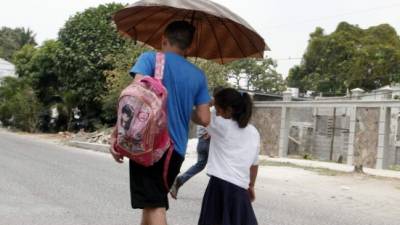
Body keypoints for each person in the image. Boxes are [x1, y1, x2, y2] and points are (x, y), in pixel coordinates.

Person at [109, 20, 211, 225]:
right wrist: (185, 108)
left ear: (164, 39)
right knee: (150, 202)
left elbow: (133, 100)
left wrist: (116, 135)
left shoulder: (150, 59)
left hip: (148, 145)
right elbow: (204, 118)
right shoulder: (198, 76)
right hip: (176, 150)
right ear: (189, 47)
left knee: (155, 205)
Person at [198, 88, 260, 225]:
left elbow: (198, 115)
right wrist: (251, 185)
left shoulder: (220, 124)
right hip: (240, 191)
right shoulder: (254, 132)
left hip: (219, 188)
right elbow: (254, 164)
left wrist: (211, 102)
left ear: (229, 110)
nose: (217, 113)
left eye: (219, 110)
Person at [170, 86, 223, 199]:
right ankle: (216, 195)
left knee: (200, 165)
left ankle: (180, 180)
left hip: (202, 142)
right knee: (218, 168)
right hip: (208, 143)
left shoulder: (204, 107)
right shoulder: (217, 111)